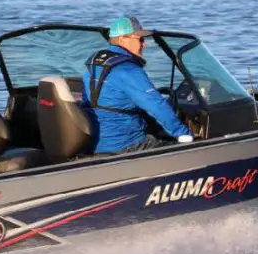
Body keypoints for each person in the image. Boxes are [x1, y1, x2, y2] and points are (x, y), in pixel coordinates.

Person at [81, 16, 193, 154]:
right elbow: (156, 105)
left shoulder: (93, 65)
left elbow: (88, 102)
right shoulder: (129, 70)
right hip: (127, 145)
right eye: (140, 39)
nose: (144, 45)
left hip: (95, 144)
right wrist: (183, 133)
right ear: (123, 39)